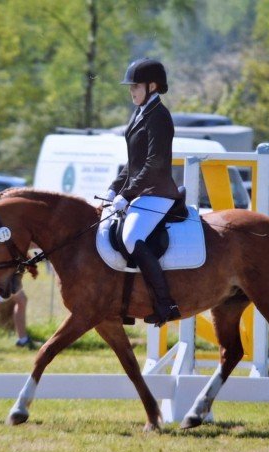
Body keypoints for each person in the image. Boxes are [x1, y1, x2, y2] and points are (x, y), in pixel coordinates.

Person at [105, 58, 182, 327]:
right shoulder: (140, 112)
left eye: (135, 86)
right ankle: (125, 303)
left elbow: (154, 163)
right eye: (130, 87)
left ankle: (165, 304)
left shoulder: (159, 116)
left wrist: (128, 194)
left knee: (132, 236)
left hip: (157, 192)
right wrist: (115, 187)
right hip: (141, 191)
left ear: (151, 86)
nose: (131, 91)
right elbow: (134, 161)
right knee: (109, 230)